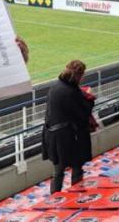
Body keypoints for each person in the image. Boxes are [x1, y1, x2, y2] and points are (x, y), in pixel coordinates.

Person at [42, 60, 97, 194]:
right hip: (70, 137)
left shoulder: (55, 87)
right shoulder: (72, 92)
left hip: (52, 135)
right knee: (76, 168)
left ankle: (54, 201)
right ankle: (76, 199)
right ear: (80, 75)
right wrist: (89, 97)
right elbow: (83, 113)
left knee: (57, 172)